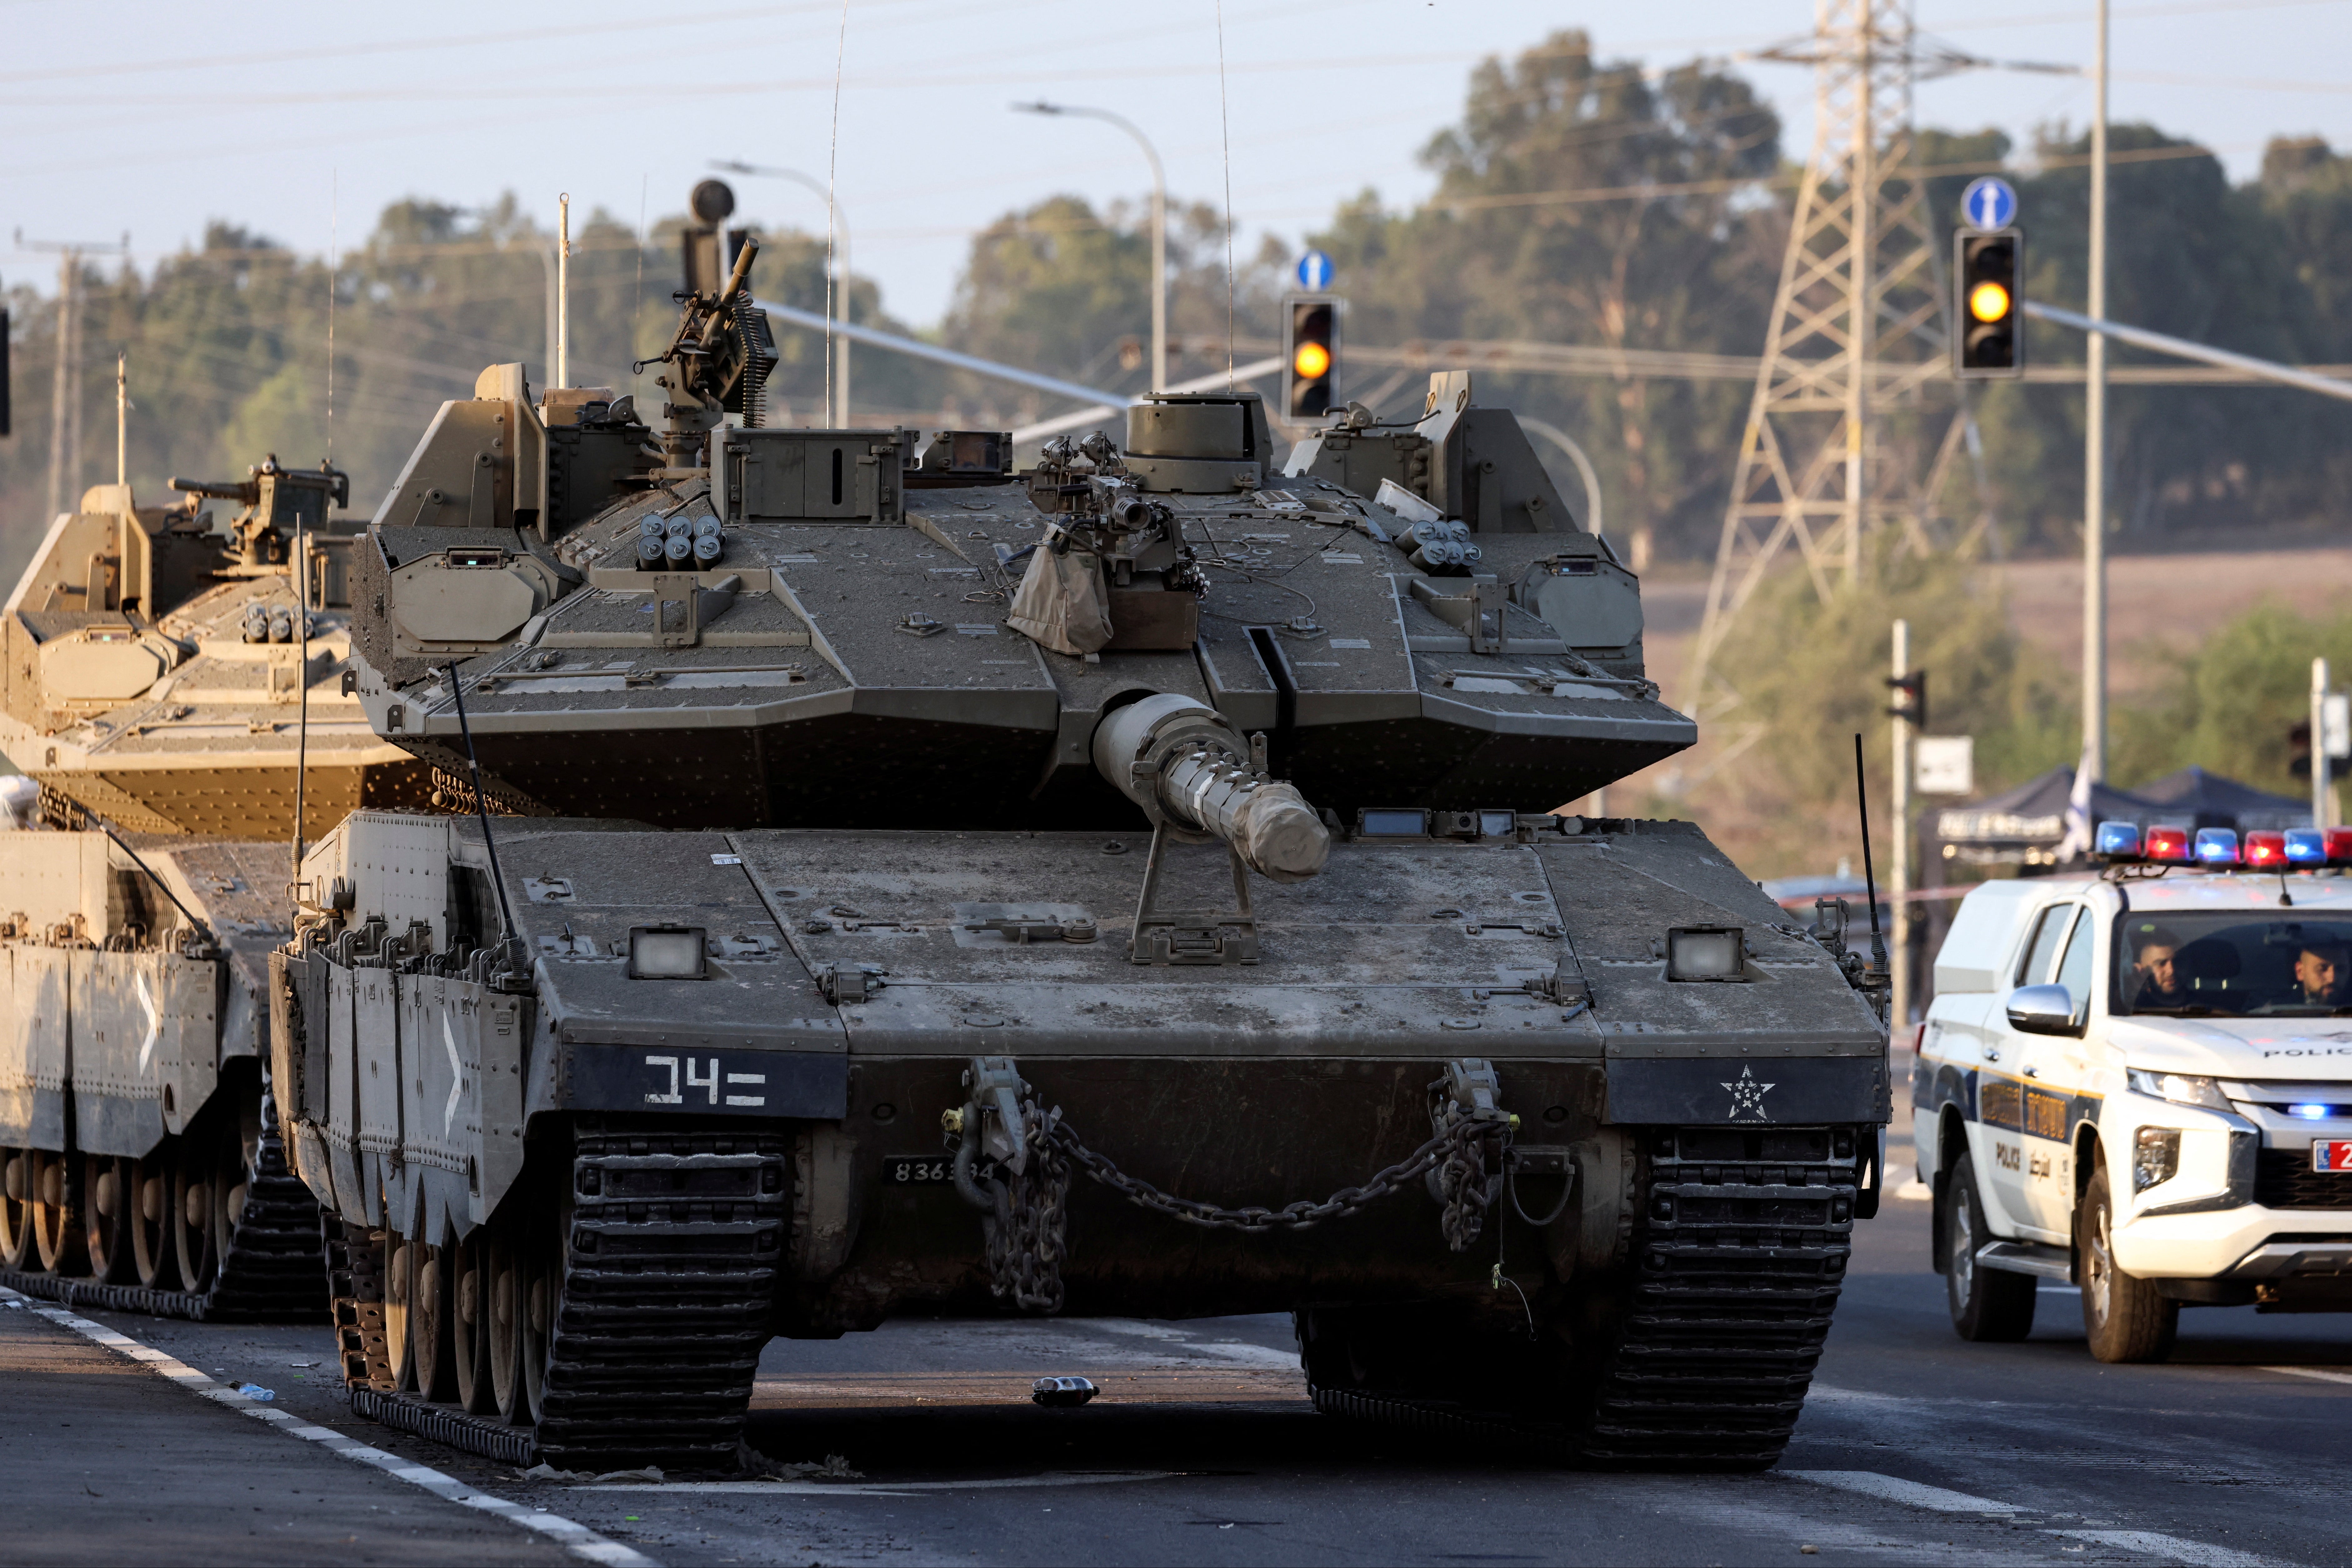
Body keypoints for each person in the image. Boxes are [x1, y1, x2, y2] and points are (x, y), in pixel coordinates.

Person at [2126, 924, 2190, 1009]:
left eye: (2177, 961)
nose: (2171, 970)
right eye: (2162, 963)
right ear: (2141, 971)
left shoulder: (2207, 1008)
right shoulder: (2127, 1011)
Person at [2295, 940, 2350, 1008]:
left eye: (2340, 969)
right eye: (2323, 969)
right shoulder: (2283, 1011)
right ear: (2300, 972)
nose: (2332, 979)